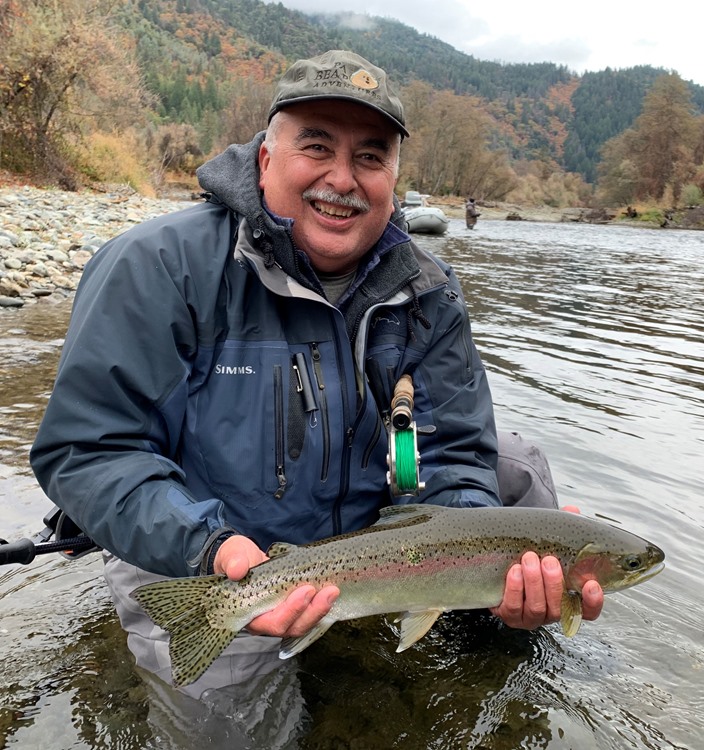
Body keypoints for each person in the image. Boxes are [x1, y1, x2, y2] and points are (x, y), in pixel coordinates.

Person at [30, 50, 603, 698]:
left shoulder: (430, 292)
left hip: (359, 533)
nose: (343, 178)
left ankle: (475, 620)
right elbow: (88, 450)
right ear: (266, 157)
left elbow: (455, 450)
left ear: (393, 175)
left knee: (521, 473)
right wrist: (209, 548)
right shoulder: (158, 266)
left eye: (369, 156)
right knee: (229, 730)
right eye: (317, 146)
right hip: (213, 543)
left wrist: (480, 566)